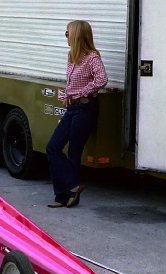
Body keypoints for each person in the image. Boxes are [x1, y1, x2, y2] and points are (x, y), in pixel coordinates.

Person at [46, 20, 108, 208]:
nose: (66, 37)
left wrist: (80, 93)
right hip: (72, 108)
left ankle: (67, 195)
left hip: (85, 109)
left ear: (77, 36)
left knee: (74, 152)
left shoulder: (92, 58)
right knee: (53, 147)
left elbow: (102, 79)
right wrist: (68, 96)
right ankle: (68, 190)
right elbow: (73, 84)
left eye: (68, 33)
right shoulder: (72, 56)